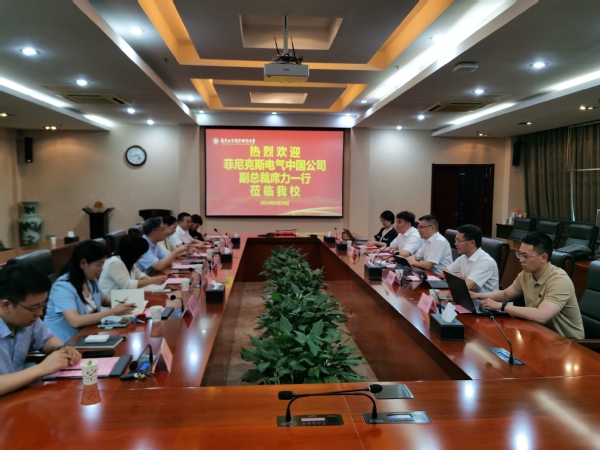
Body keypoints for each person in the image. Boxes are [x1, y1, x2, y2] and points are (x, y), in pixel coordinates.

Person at [473, 231, 584, 339]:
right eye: (520, 254)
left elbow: (542, 316)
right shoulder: (526, 274)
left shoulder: (559, 280)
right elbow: (506, 294)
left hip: (568, 342)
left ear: (543, 257)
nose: (521, 260)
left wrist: (502, 306)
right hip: (540, 333)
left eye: (525, 256)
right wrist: (476, 295)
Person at [0, 262, 82, 395]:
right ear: (6, 305)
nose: (40, 313)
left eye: (42, 305)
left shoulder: (28, 319)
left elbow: (46, 340)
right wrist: (42, 368)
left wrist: (63, 349)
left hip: (17, 395)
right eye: (33, 308)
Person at [45, 240, 136, 342]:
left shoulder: (89, 280)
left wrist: (125, 303)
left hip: (88, 334)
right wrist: (113, 311)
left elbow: (103, 299)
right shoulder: (62, 287)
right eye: (99, 265)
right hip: (66, 342)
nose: (101, 269)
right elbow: (75, 321)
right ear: (83, 263)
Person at [99, 234, 167, 293]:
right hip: (112, 301)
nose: (141, 257)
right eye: (140, 254)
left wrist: (156, 280)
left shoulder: (127, 260)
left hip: (126, 298)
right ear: (132, 253)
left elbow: (139, 274)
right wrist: (152, 280)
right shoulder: (114, 263)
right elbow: (126, 285)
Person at [441, 224, 499, 293]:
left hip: (483, 299)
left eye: (458, 240)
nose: (455, 244)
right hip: (467, 296)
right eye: (455, 240)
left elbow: (466, 286)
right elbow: (442, 273)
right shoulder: (463, 257)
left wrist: (452, 278)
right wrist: (455, 275)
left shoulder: (486, 261)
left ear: (471, 243)